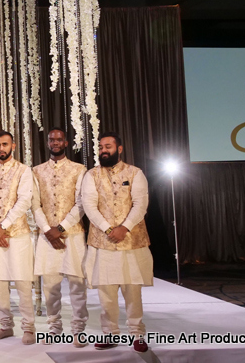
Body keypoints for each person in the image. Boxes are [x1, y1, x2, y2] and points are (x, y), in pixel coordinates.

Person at [82, 132, 153, 353]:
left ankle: (137, 334)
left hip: (131, 241)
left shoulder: (135, 173)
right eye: (101, 147)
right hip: (103, 243)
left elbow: (141, 204)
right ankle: (110, 333)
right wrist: (109, 229)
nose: (104, 150)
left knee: (133, 291)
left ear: (119, 149)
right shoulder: (91, 175)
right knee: (107, 293)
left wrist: (125, 228)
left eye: (108, 146)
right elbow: (89, 206)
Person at [31, 128, 88, 348]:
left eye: (59, 139)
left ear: (66, 143)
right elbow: (35, 204)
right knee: (50, 285)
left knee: (76, 283)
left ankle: (79, 329)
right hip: (46, 236)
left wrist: (60, 228)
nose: (55, 142)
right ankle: (54, 327)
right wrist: (47, 229)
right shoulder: (36, 171)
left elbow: (82, 202)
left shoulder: (79, 169)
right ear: (47, 143)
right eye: (51, 139)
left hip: (72, 234)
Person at [0, 130, 37, 344]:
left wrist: (3, 226)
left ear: (13, 146)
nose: (1, 148)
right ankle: (5, 326)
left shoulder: (24, 171)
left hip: (19, 235)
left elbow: (24, 201)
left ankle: (29, 327)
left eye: (5, 144)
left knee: (22, 282)